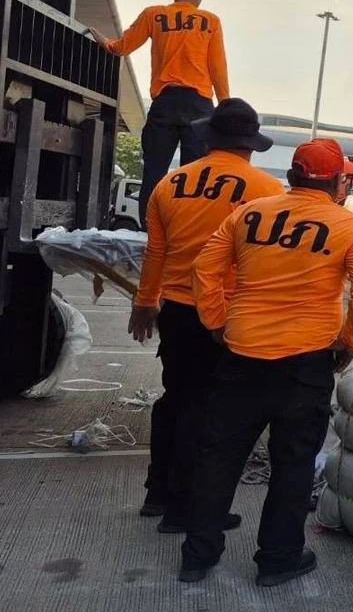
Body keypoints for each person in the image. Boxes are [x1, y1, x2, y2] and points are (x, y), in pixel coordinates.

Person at [182, 138, 353, 586]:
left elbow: (204, 269)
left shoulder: (248, 214)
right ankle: (277, 559)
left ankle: (197, 555)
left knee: (218, 457)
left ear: (291, 176)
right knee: (293, 463)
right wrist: (349, 342)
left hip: (241, 354)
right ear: (338, 182)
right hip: (306, 363)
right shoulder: (351, 228)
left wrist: (216, 322)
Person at [130, 98, 283, 530]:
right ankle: (189, 508)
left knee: (175, 399)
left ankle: (158, 493)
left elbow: (156, 252)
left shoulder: (169, 185)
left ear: (209, 137)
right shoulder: (268, 192)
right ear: (250, 145)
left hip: (177, 311)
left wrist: (145, 301)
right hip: (228, 317)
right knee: (212, 411)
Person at [92, 0, 230, 223]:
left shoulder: (153, 15)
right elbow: (217, 67)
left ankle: (149, 229)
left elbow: (122, 47)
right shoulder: (210, 21)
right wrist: (225, 104)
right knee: (194, 174)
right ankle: (186, 228)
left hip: (165, 102)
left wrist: (106, 43)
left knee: (154, 170)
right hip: (199, 105)